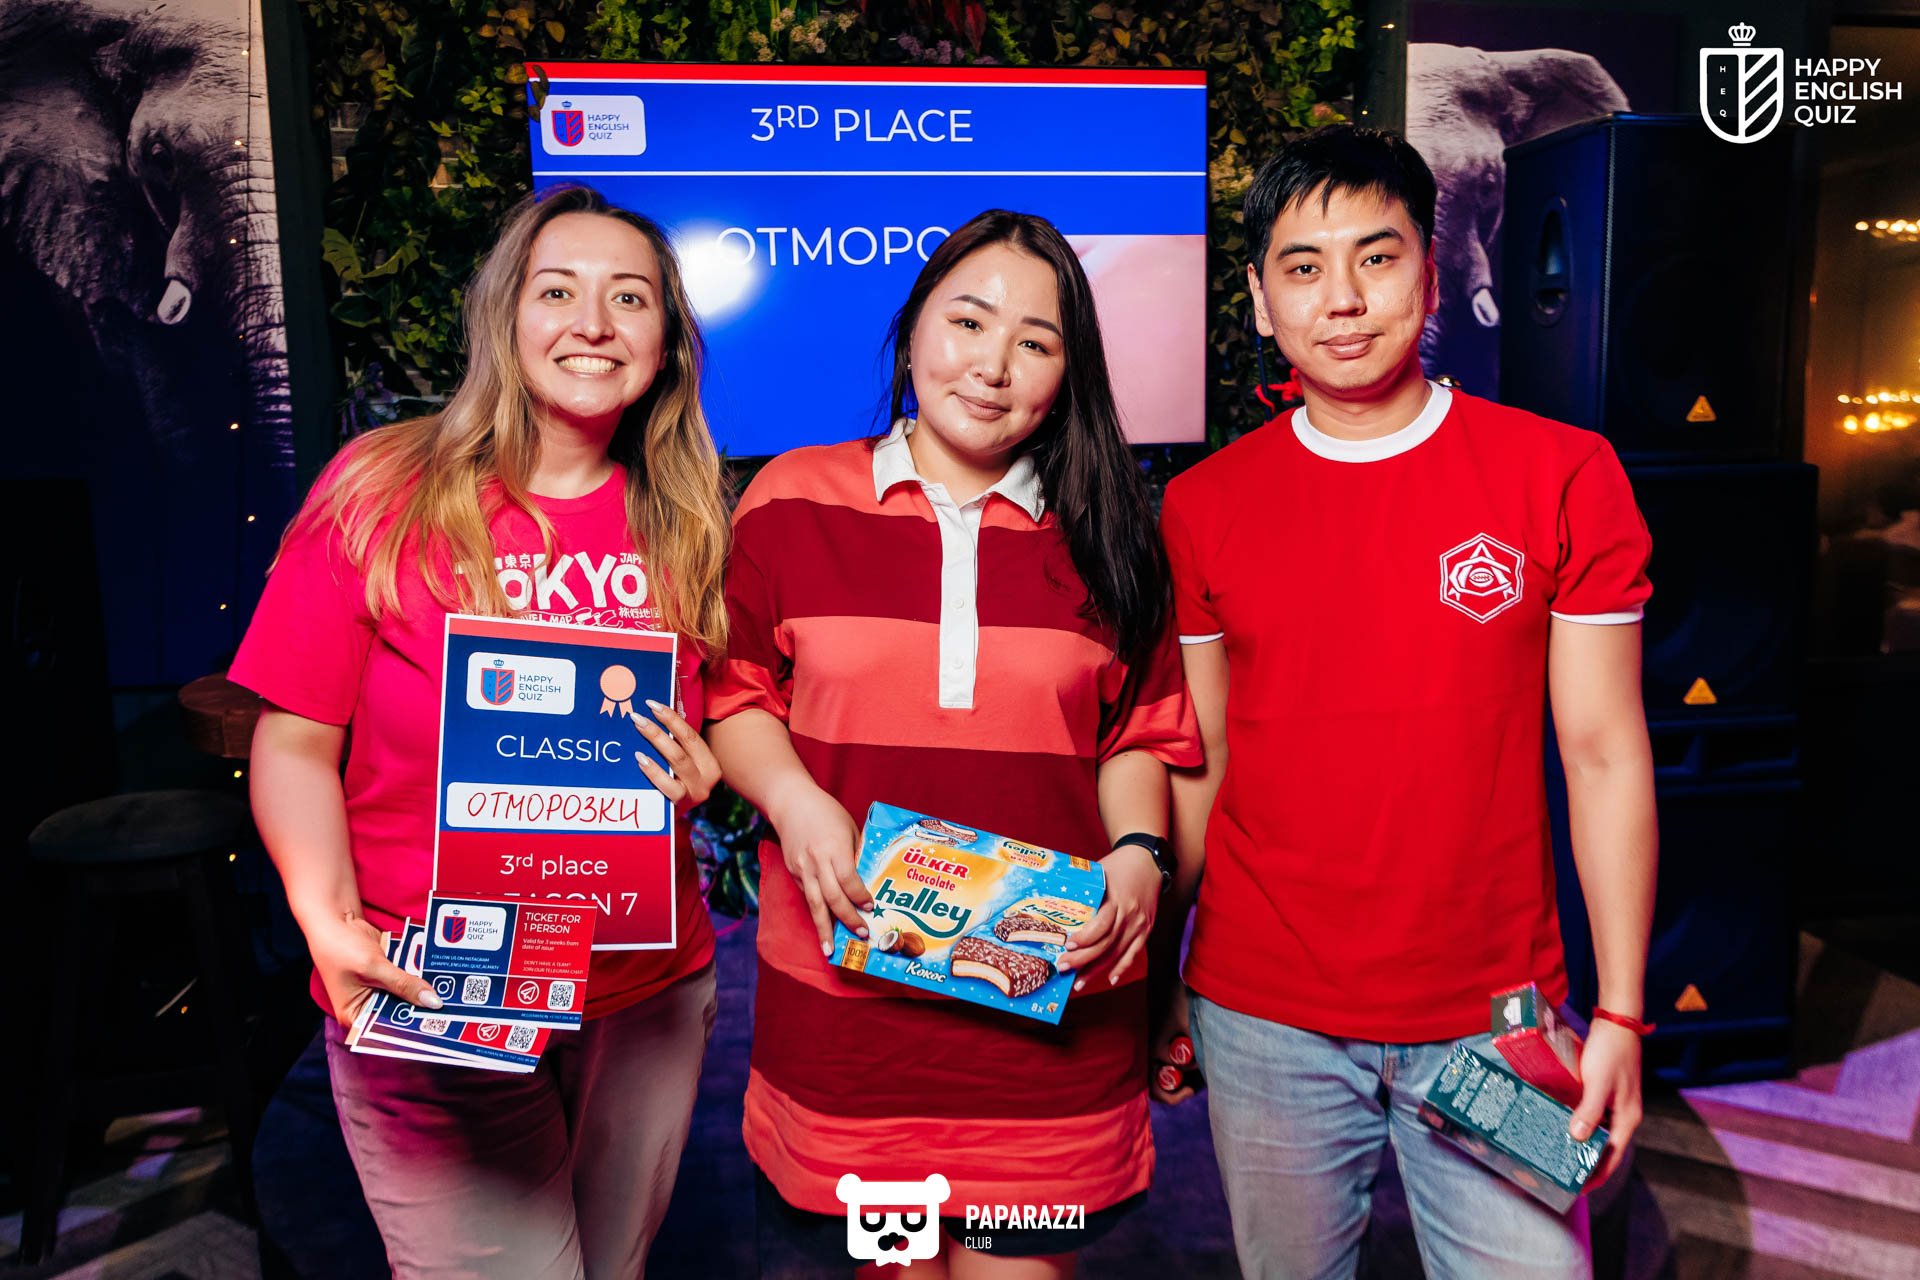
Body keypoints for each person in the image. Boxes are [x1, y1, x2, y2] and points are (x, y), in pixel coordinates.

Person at [1153, 125, 1657, 1280]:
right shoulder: (1204, 505)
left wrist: (1623, 1010)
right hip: (1261, 1008)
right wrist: (1158, 989)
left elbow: (1603, 753)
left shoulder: (1561, 472)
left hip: (1498, 1015)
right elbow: (1204, 754)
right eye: (1303, 266)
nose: (1342, 298)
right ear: (1260, 298)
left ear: (1431, 272)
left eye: (1376, 258)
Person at [232, 184, 730, 1279]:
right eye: (557, 291)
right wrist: (327, 921)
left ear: (666, 340)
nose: (593, 323)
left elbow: (696, 735)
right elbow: (294, 740)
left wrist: (703, 771)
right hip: (433, 983)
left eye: (630, 298)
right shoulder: (383, 490)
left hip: (643, 988)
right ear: (505, 315)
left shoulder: (687, 519)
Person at [704, 208, 1200, 1278]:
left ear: (1069, 372)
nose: (993, 364)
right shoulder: (791, 500)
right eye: (969, 322)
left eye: (1036, 341)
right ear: (915, 326)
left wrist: (1138, 853)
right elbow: (735, 696)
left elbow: (1139, 732)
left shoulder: (1111, 528)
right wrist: (794, 799)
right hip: (852, 1030)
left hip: (1044, 1026)